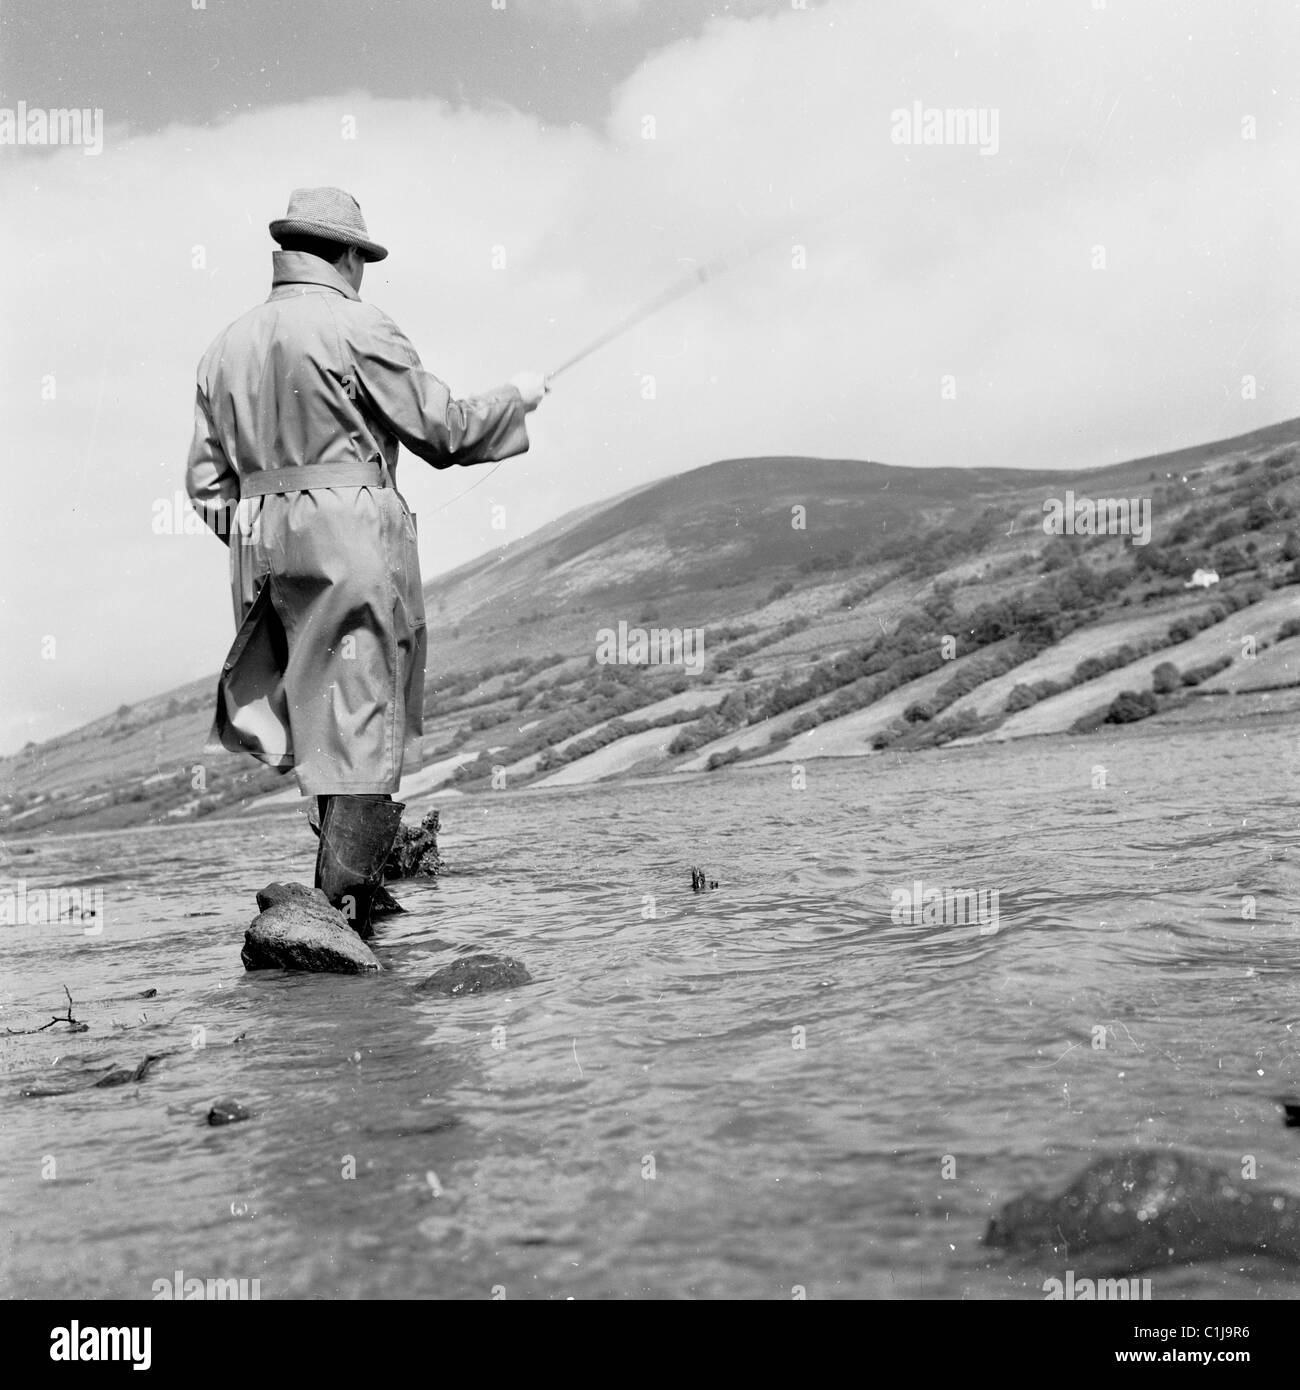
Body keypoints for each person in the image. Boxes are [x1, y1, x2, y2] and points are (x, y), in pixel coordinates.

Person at [185, 186, 546, 936]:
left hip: (262, 550)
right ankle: (340, 921)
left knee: (316, 722)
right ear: (347, 256)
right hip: (351, 541)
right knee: (361, 719)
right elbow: (443, 430)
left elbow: (203, 485)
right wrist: (517, 399)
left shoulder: (223, 347)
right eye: (363, 260)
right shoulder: (357, 325)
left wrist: (265, 537)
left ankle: (342, 935)